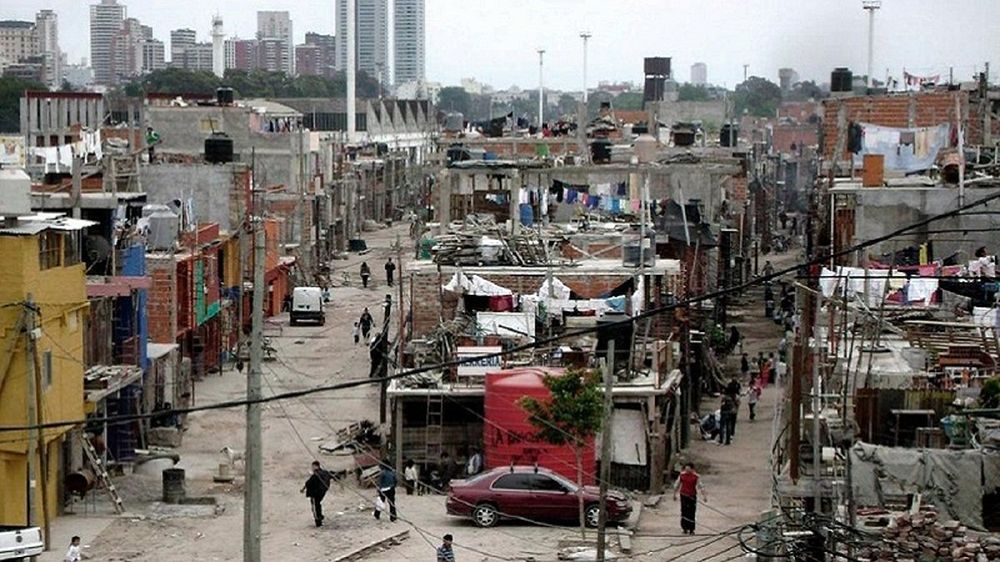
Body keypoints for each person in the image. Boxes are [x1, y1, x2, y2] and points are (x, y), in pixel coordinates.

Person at [672, 463, 706, 535]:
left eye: (688, 469)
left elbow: (701, 486)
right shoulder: (682, 475)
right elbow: (677, 485)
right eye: (686, 469)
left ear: (692, 469)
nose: (687, 470)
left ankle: (691, 529)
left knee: (692, 512)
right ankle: (684, 528)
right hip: (684, 495)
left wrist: (704, 496)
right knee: (684, 511)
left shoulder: (696, 476)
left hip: (692, 496)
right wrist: (674, 494)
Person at [301, 460, 332, 527]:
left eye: (312, 466)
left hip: (314, 493)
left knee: (315, 506)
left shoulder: (316, 475)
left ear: (315, 466)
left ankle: (318, 520)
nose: (312, 468)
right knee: (318, 504)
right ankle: (320, 515)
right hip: (322, 492)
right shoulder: (325, 472)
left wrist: (303, 489)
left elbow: (308, 483)